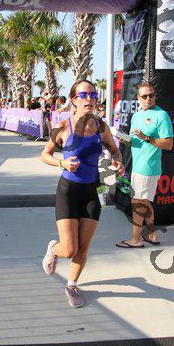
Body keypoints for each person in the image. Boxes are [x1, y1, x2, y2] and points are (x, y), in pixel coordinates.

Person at [41, 79, 124, 308]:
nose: (89, 99)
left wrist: (117, 163)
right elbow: (45, 155)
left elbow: (114, 150)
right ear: (73, 100)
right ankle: (54, 249)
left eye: (93, 95)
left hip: (95, 190)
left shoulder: (101, 126)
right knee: (70, 249)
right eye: (84, 95)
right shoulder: (62, 126)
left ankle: (72, 285)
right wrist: (62, 164)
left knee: (84, 247)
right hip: (68, 190)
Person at [116, 80, 173, 249]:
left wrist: (147, 138)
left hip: (148, 167)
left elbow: (169, 144)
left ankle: (136, 239)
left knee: (137, 202)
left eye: (151, 95)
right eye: (144, 96)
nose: (148, 98)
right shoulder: (137, 115)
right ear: (138, 98)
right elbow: (136, 140)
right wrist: (125, 140)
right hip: (138, 165)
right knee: (145, 201)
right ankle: (152, 235)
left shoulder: (161, 115)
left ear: (155, 96)